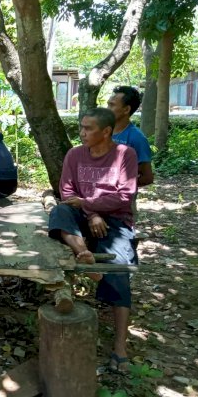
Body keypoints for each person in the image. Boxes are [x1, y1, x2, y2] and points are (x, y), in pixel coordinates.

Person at [47, 108, 138, 373]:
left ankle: (120, 346)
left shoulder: (125, 155)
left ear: (106, 131)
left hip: (116, 221)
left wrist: (90, 206)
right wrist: (92, 212)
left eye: (88, 128)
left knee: (120, 271)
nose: (82, 132)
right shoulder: (75, 154)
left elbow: (124, 196)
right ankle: (84, 254)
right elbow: (66, 191)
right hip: (84, 217)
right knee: (60, 211)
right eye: (81, 127)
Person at [107, 86, 153, 187]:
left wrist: (121, 187)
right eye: (108, 104)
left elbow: (147, 177)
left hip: (121, 200)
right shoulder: (100, 131)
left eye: (112, 105)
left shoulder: (137, 138)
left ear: (126, 109)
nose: (107, 109)